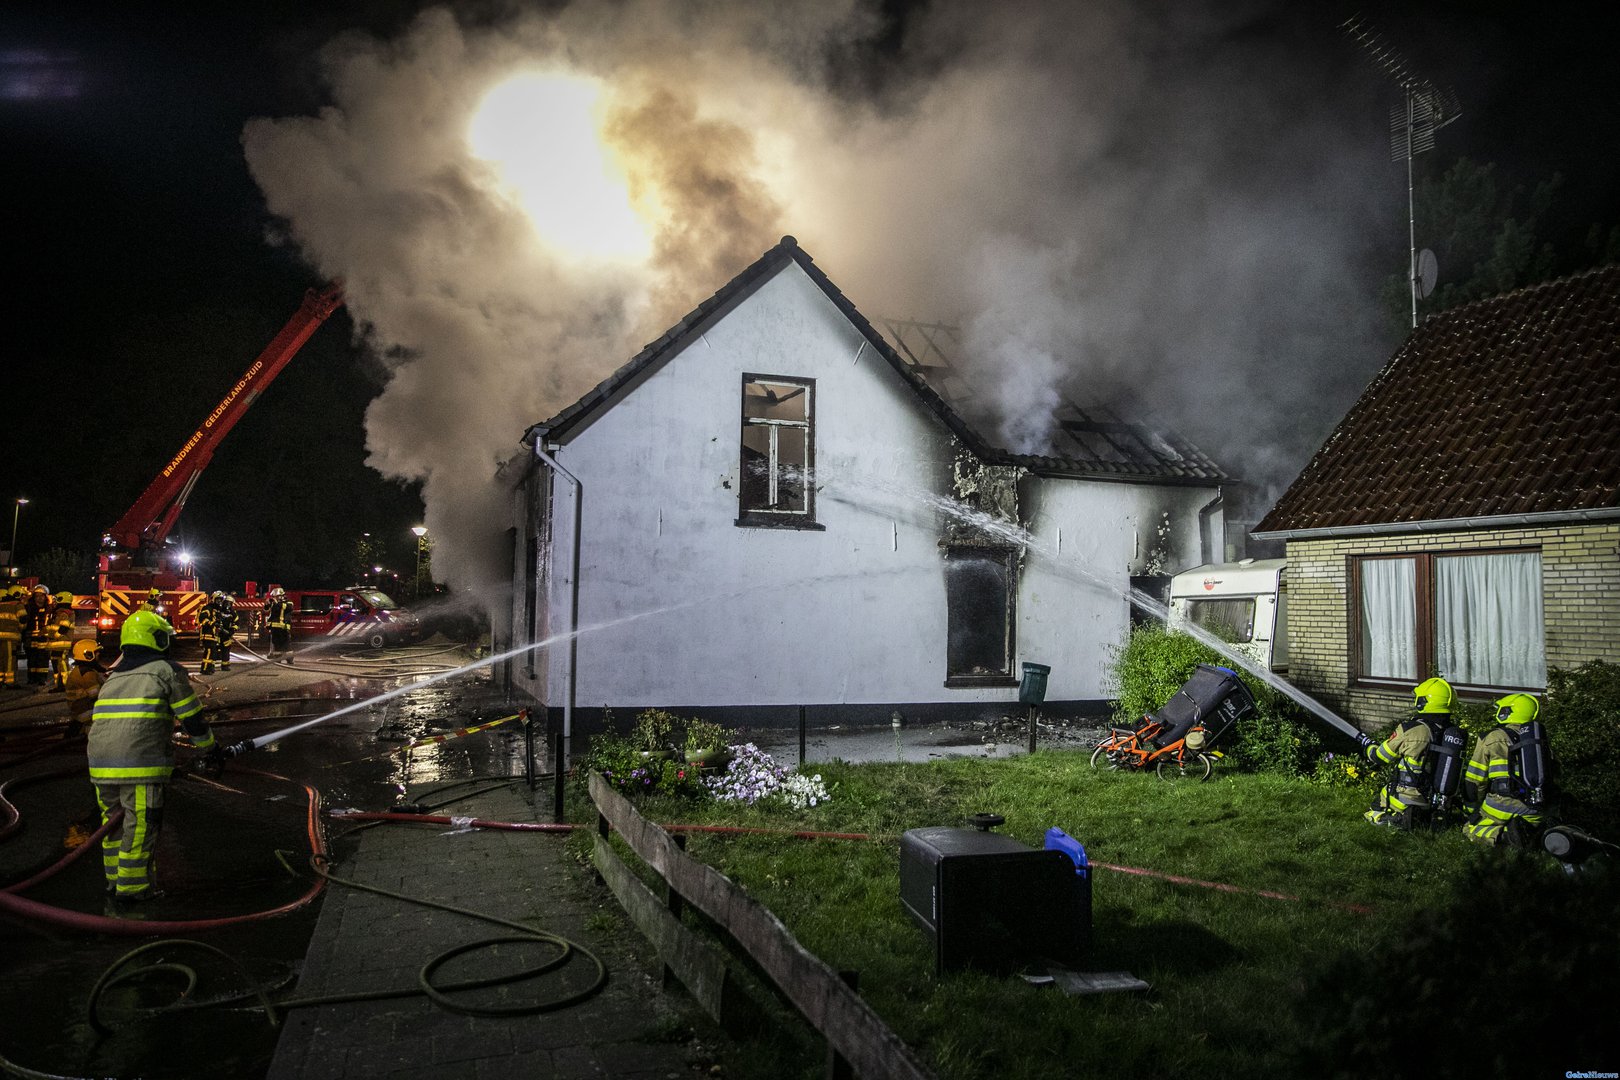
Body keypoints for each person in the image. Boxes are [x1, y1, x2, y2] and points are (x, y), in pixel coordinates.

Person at [86, 609, 218, 906]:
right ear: (156, 639)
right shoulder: (165, 670)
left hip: (100, 764)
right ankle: (133, 890)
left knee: (113, 825)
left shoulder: (114, 675)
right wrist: (210, 748)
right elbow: (192, 718)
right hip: (139, 764)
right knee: (141, 826)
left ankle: (114, 882)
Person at [1356, 677, 1453, 829]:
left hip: (1409, 796)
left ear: (1424, 701)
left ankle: (1398, 818)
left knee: (1373, 810)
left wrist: (1369, 747)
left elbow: (1380, 757)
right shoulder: (1451, 734)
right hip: (1435, 799)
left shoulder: (1411, 729)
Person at [1461, 693, 1548, 846]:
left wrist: (1471, 808)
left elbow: (1475, 780)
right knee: (1533, 822)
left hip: (1503, 805)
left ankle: (1507, 836)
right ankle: (1535, 830)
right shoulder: (1539, 740)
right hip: (1538, 807)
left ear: (1507, 712)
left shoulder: (1492, 737)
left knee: (1471, 828)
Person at [62, 638, 108, 742]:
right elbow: (98, 695)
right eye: (96, 653)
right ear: (88, 655)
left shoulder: (82, 669)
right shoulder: (87, 674)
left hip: (79, 708)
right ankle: (90, 737)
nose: (99, 655)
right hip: (84, 711)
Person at [24, 584, 53, 684]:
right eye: (37, 596)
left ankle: (41, 679)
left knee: (43, 659)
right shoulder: (29, 608)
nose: (39, 598)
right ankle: (31, 679)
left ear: (45, 597)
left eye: (41, 596)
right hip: (30, 637)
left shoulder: (49, 609)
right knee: (31, 659)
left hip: (44, 638)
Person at [0, 586, 23, 687]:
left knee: (1, 658)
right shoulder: (17, 605)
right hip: (10, 636)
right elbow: (23, 619)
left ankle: (1, 680)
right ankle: (11, 682)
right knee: (10, 659)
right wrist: (20, 629)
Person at [264, 586, 293, 664]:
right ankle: (278, 658)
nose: (275, 598)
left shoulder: (288, 603)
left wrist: (276, 602)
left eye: (276, 596)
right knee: (276, 644)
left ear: (282, 596)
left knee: (286, 644)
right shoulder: (274, 603)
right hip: (275, 627)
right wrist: (267, 604)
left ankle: (289, 658)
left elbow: (284, 607)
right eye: (274, 597)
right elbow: (266, 610)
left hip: (284, 627)